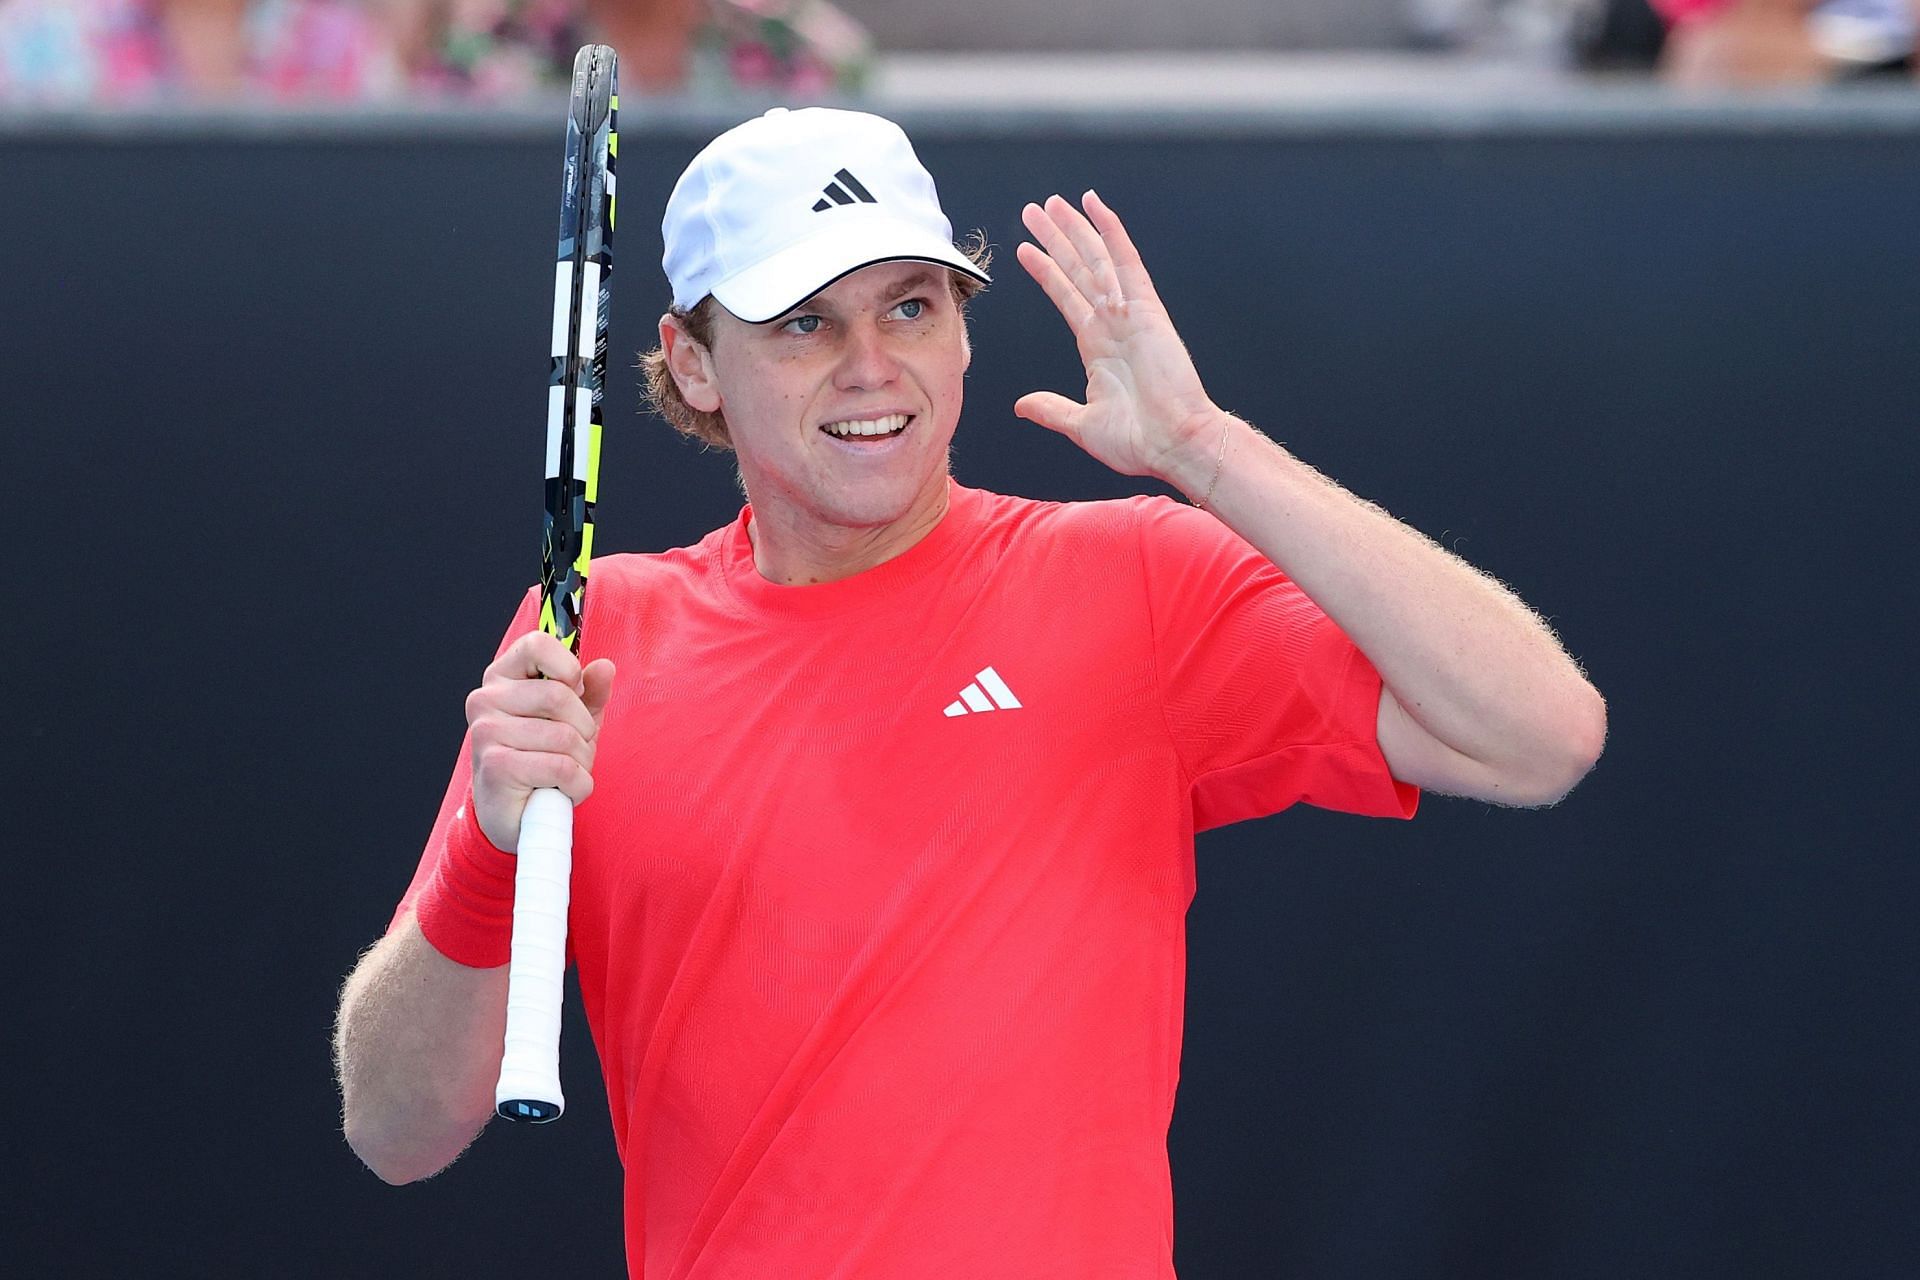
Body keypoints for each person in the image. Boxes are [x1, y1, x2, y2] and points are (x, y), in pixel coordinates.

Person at [333, 106, 1607, 1277]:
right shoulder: (598, 633)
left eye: (911, 307)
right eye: (803, 322)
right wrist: (493, 852)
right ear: (695, 360)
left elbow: (1539, 734)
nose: (871, 365)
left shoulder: (1135, 580)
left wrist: (1204, 450)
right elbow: (394, 1128)